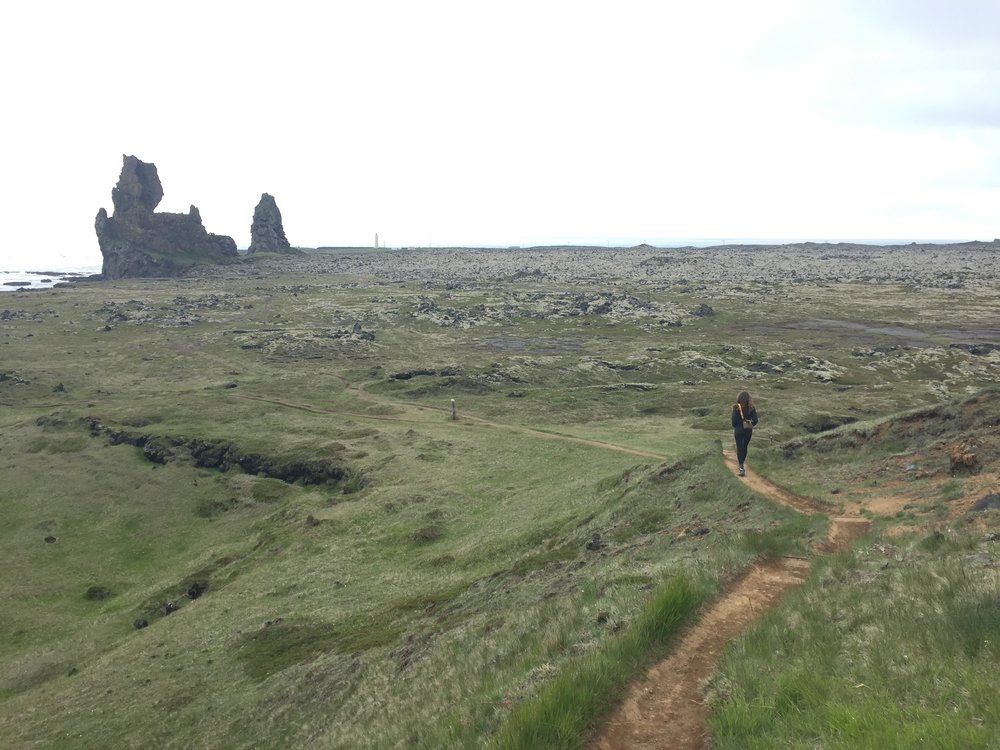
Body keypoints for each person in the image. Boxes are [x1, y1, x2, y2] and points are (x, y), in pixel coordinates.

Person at [731, 390, 758, 476]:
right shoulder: (752, 408)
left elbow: (733, 422)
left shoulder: (736, 408)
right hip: (748, 430)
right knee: (745, 446)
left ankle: (741, 467)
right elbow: (756, 420)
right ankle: (742, 463)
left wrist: (737, 425)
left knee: (739, 448)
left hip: (738, 430)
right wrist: (750, 423)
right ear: (749, 399)